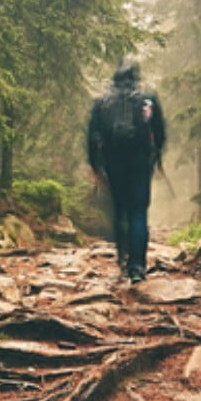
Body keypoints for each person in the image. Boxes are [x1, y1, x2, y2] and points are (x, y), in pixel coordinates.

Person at [86, 61, 165, 282]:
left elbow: (93, 136)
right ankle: (137, 267)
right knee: (138, 211)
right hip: (140, 160)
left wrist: (95, 166)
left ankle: (122, 255)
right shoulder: (147, 99)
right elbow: (159, 131)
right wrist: (156, 156)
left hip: (113, 161)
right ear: (135, 78)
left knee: (119, 208)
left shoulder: (102, 103)